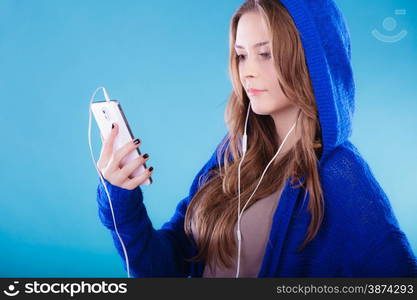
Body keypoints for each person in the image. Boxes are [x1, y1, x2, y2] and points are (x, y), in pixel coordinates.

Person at [95, 0, 417, 277]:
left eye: (265, 54)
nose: (247, 71)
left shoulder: (340, 174)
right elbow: (164, 271)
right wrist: (122, 200)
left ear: (309, 60)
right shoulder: (233, 153)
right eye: (241, 55)